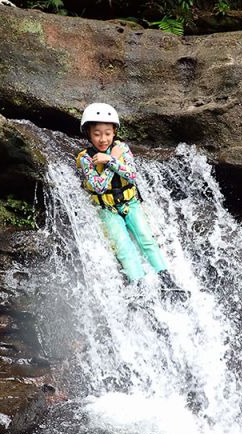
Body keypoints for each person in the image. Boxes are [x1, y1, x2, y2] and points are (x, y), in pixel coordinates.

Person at [75, 103, 185, 296]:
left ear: (114, 131)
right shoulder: (86, 159)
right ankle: (139, 288)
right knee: (124, 248)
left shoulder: (122, 149)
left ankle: (167, 281)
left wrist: (111, 160)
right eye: (97, 133)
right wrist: (111, 163)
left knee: (147, 240)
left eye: (108, 133)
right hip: (107, 209)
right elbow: (99, 187)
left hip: (131, 204)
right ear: (88, 134)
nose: (103, 139)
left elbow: (132, 176)